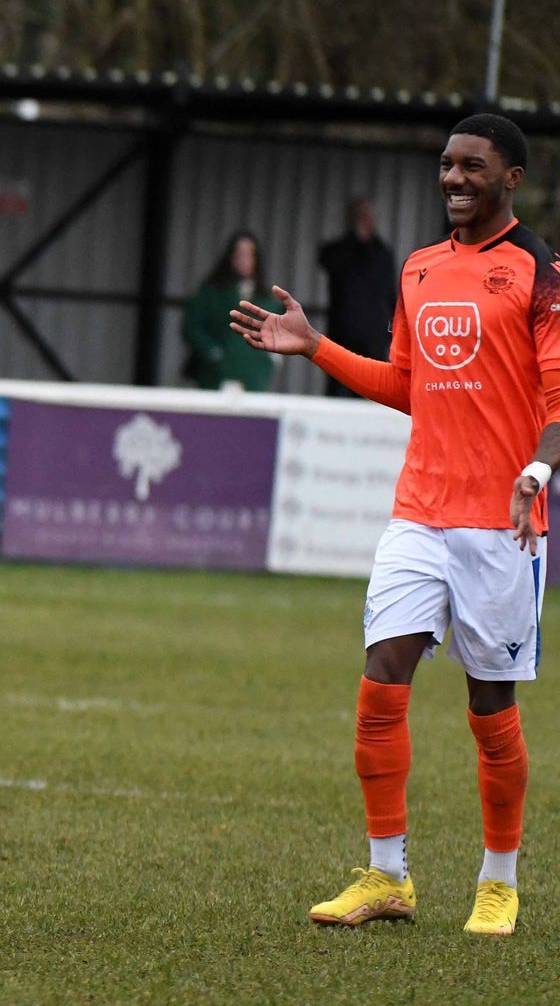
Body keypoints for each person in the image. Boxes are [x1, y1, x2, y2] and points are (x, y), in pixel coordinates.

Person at [232, 114, 555, 937]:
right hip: (419, 512)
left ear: (511, 178)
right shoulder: (417, 268)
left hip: (503, 524)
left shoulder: (540, 272)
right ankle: (387, 876)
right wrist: (317, 348)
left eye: (473, 166)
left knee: (490, 707)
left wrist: (539, 470)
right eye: (447, 164)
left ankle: (499, 883)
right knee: (381, 679)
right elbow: (410, 384)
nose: (454, 178)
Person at [318, 199, 400, 397]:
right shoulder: (339, 250)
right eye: (359, 216)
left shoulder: (382, 253)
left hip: (373, 337)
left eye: (367, 215)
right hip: (342, 335)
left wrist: (394, 331)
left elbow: (391, 295)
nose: (364, 220)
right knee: (338, 390)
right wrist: (355, 240)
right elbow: (328, 262)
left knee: (371, 390)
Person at [182, 232, 278, 391]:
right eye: (240, 253)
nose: (244, 260)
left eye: (250, 254)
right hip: (216, 375)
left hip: (254, 377)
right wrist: (213, 352)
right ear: (231, 256)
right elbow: (191, 326)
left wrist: (272, 357)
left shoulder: (268, 299)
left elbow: (281, 331)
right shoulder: (211, 293)